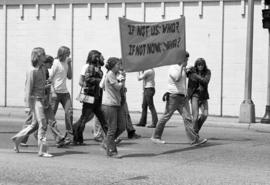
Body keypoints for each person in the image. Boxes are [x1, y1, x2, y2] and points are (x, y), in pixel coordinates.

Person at [151, 51, 208, 146]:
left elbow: (182, 77)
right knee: (166, 117)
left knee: (187, 118)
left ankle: (194, 140)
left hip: (182, 97)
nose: (187, 60)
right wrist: (182, 67)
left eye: (187, 59)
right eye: (185, 59)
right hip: (173, 97)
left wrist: (187, 70)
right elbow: (177, 78)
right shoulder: (173, 68)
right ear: (180, 59)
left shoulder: (182, 68)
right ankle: (155, 137)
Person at [15, 55, 66, 148]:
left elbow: (46, 84)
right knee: (36, 123)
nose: (51, 65)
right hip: (36, 100)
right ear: (45, 62)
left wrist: (49, 89)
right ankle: (25, 140)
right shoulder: (34, 70)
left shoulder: (44, 71)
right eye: (50, 63)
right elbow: (30, 87)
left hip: (44, 99)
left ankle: (59, 138)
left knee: (49, 121)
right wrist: (27, 105)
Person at [11, 47, 53, 157]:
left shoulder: (43, 68)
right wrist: (27, 106)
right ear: (38, 56)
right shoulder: (32, 70)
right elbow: (28, 89)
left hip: (42, 99)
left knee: (34, 125)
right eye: (43, 54)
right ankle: (42, 150)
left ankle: (17, 139)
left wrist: (46, 86)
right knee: (43, 123)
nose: (45, 56)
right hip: (35, 100)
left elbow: (41, 84)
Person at [72, 50, 108, 145]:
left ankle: (110, 139)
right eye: (101, 57)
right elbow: (87, 79)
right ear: (96, 58)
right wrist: (100, 80)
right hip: (90, 96)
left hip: (97, 96)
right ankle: (77, 137)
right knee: (84, 118)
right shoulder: (90, 67)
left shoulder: (98, 68)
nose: (103, 59)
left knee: (101, 118)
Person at [101, 57, 126, 158]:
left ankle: (107, 142)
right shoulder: (110, 74)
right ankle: (110, 151)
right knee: (112, 129)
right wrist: (123, 80)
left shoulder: (115, 75)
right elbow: (118, 87)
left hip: (116, 103)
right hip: (109, 104)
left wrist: (122, 82)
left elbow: (120, 88)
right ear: (113, 66)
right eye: (118, 64)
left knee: (122, 126)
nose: (119, 66)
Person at [49, 46, 73, 145]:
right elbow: (49, 79)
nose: (69, 55)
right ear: (62, 54)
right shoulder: (55, 63)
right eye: (68, 53)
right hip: (55, 93)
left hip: (65, 93)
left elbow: (70, 76)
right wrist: (53, 92)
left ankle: (68, 137)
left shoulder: (67, 62)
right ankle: (58, 138)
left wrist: (69, 64)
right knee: (51, 117)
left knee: (69, 113)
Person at [186, 58, 211, 134]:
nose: (200, 66)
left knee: (205, 114)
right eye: (198, 65)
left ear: (204, 65)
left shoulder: (207, 72)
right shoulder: (192, 72)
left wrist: (195, 75)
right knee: (195, 117)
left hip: (203, 96)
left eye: (202, 65)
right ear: (196, 65)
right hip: (194, 96)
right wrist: (187, 69)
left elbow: (205, 81)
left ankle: (196, 130)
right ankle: (194, 134)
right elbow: (186, 74)